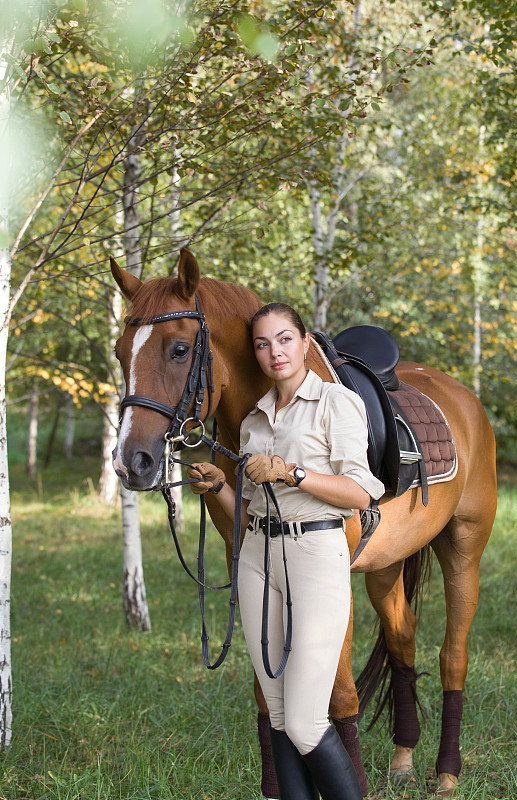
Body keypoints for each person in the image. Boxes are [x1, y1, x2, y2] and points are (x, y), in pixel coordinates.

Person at [187, 303, 385, 800]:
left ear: (302, 342)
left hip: (314, 553)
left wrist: (291, 472)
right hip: (257, 557)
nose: (273, 351)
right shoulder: (254, 421)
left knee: (302, 720)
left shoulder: (336, 403)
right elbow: (249, 513)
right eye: (261, 343)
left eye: (283, 339)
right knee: (277, 713)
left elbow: (361, 494)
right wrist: (219, 488)